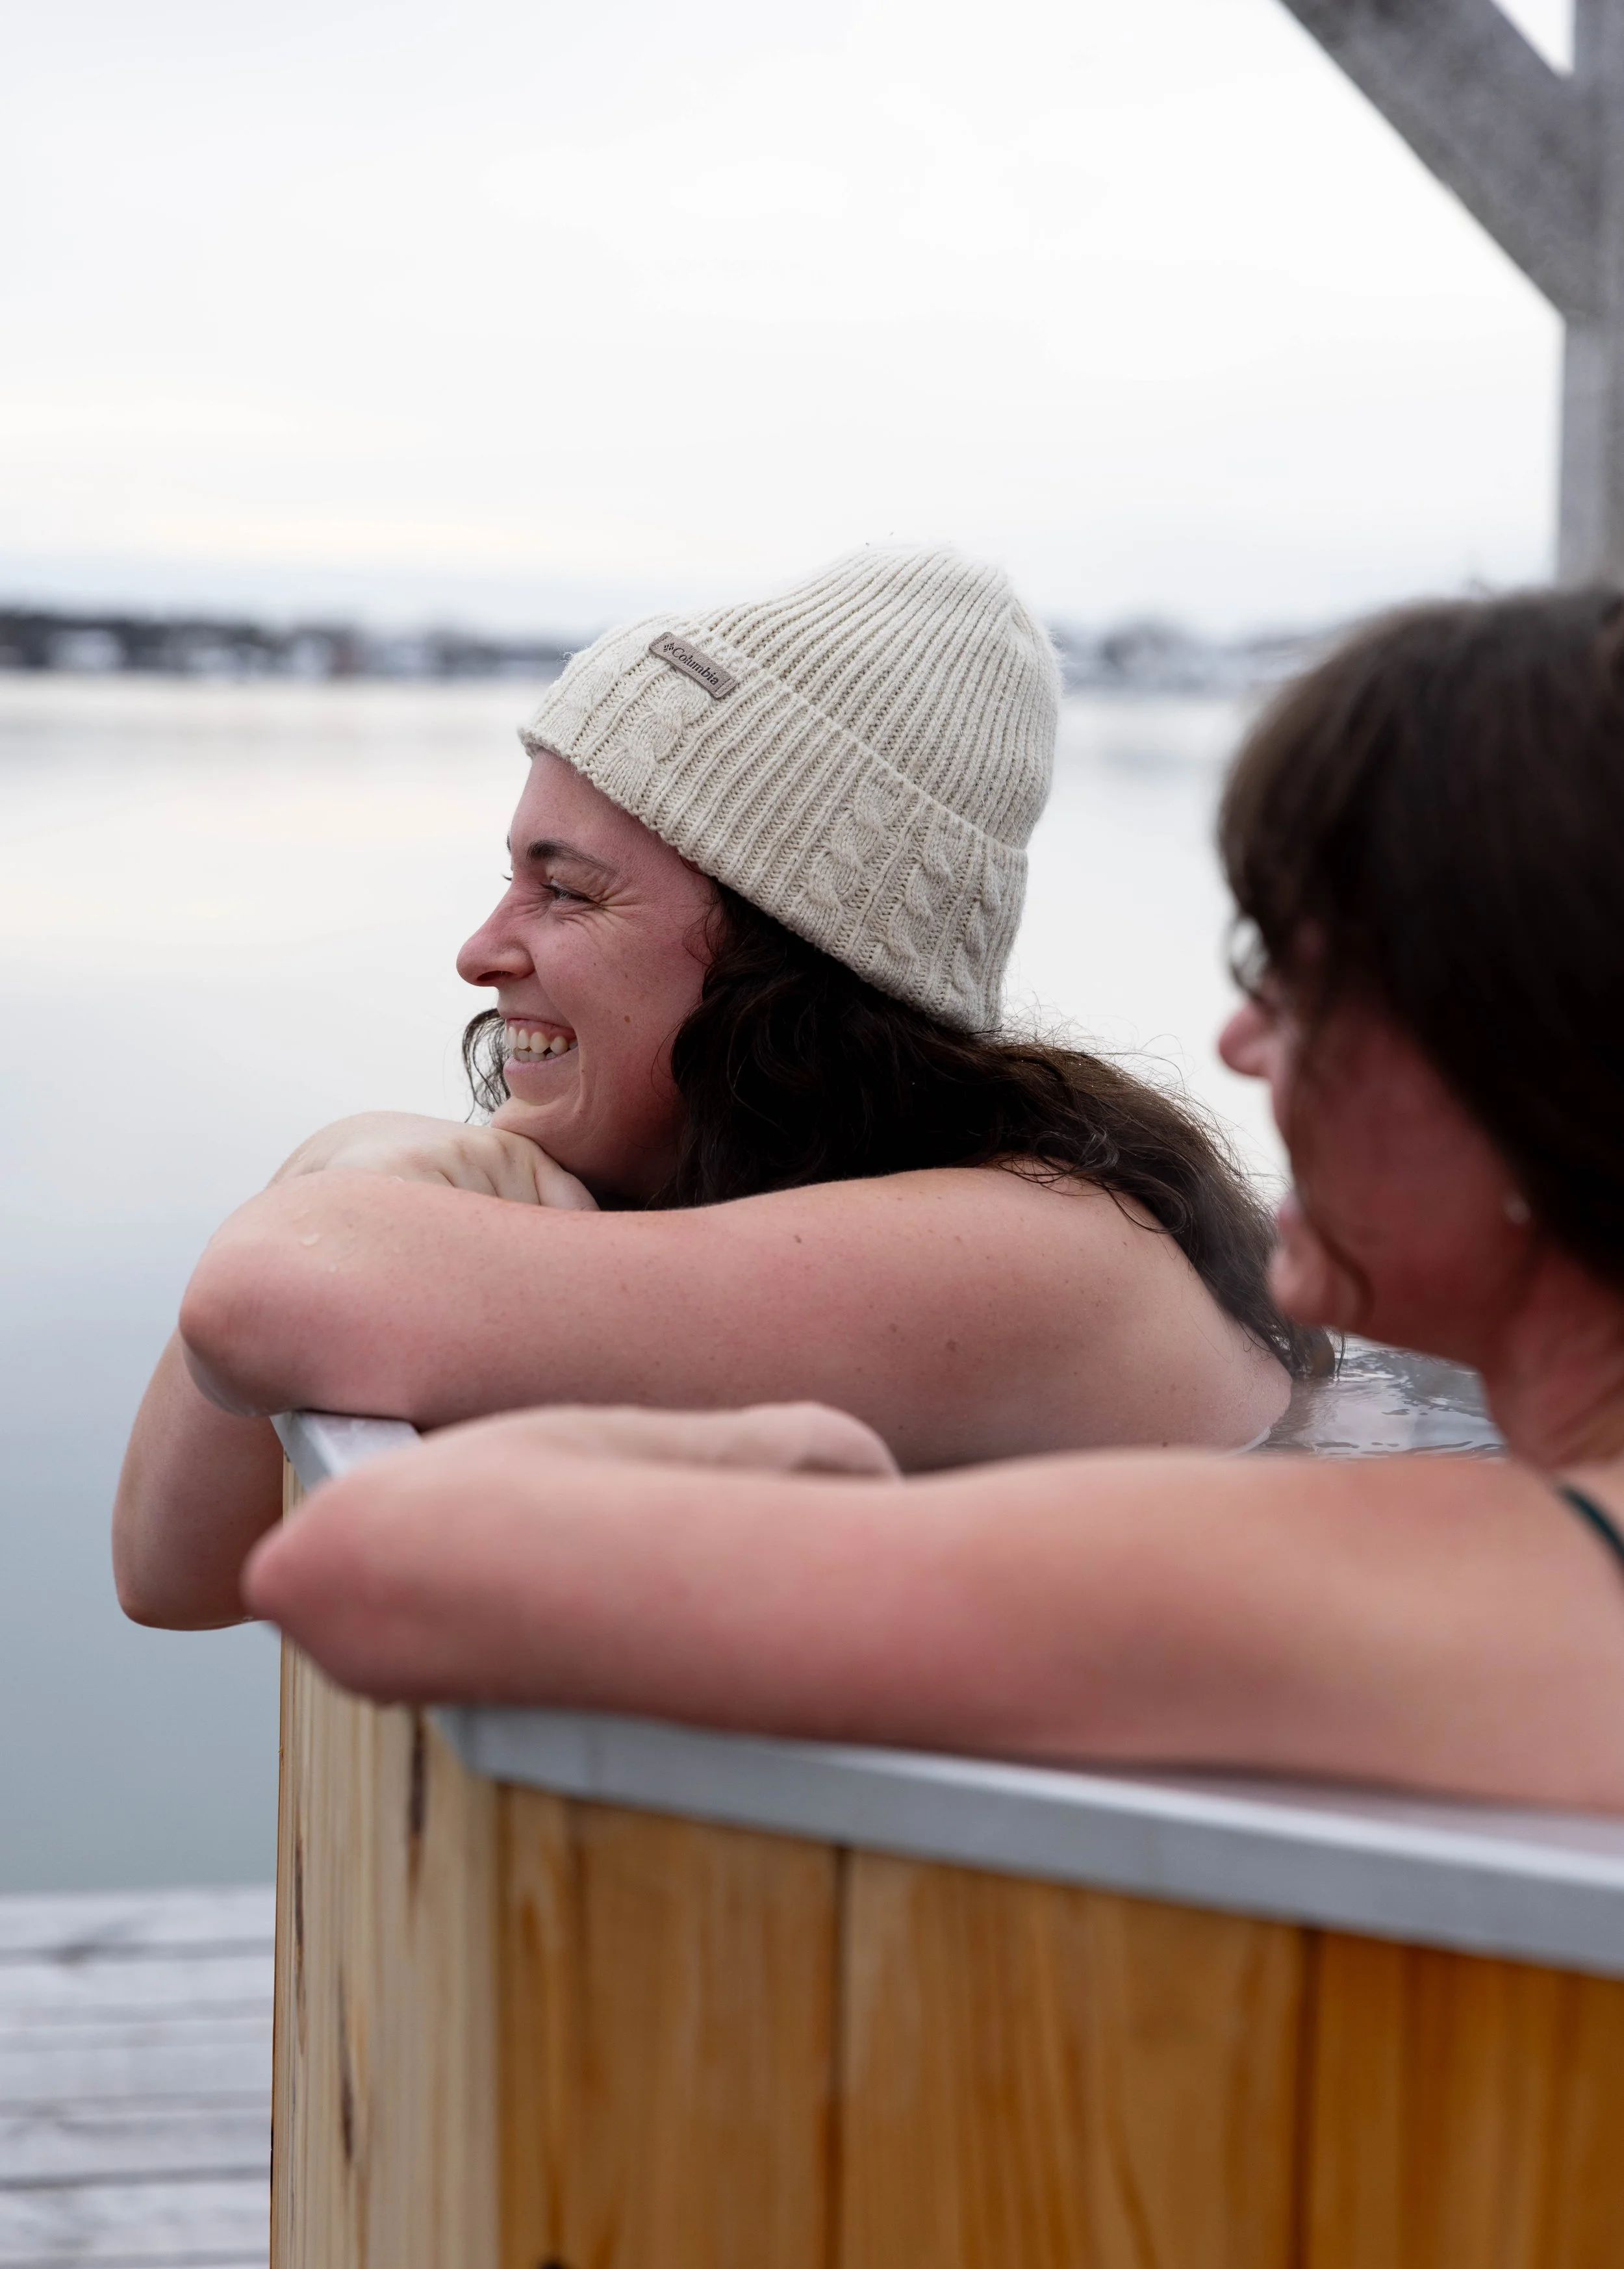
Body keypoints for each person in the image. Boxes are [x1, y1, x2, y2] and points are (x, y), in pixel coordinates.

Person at [245, 586, 1624, 1813]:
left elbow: (361, 1565)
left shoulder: (1440, 1586)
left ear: (1542, 1046)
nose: (1243, 1043)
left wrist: (797, 1466)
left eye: (1304, 973)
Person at [115, 547, 1302, 1631]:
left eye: (567, 892)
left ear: (784, 962)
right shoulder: (725, 1209)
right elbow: (178, 1571)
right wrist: (336, 1176)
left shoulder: (1042, 1252)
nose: (480, 950)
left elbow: (261, 1300)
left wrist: (344, 1166)